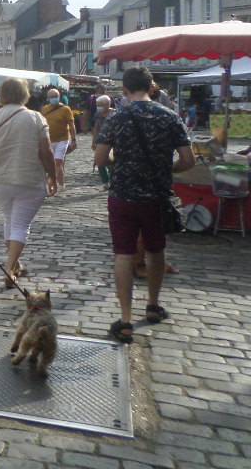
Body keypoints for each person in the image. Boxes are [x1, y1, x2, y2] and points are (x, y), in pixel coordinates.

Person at [93, 66, 194, 344]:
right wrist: (166, 168)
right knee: (156, 251)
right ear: (152, 88)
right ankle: (152, 305)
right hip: (156, 197)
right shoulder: (170, 117)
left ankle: (125, 320)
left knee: (123, 255)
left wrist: (121, 162)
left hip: (123, 196)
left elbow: (100, 159)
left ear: (124, 90)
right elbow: (188, 161)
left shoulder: (117, 117)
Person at [0, 78, 57, 288]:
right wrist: (53, 176)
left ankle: (16, 264)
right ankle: (10, 269)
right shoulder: (36, 118)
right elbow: (46, 152)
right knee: (20, 224)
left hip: (0, 179)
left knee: (10, 220)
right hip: (29, 178)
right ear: (25, 93)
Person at [40, 88, 76, 192]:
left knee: (58, 161)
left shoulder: (65, 109)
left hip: (62, 139)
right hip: (49, 140)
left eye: (55, 96)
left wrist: (73, 139)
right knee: (50, 163)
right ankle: (51, 183)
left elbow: (71, 124)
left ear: (59, 97)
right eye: (51, 97)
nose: (54, 98)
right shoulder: (44, 109)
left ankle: (60, 185)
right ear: (48, 98)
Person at [90, 94, 114, 190]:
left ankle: (113, 179)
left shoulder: (115, 113)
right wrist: (93, 142)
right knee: (99, 160)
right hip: (101, 141)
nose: (98, 107)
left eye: (100, 105)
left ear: (107, 104)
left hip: (113, 141)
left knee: (111, 161)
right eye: (97, 105)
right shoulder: (98, 115)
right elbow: (96, 128)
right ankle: (105, 182)